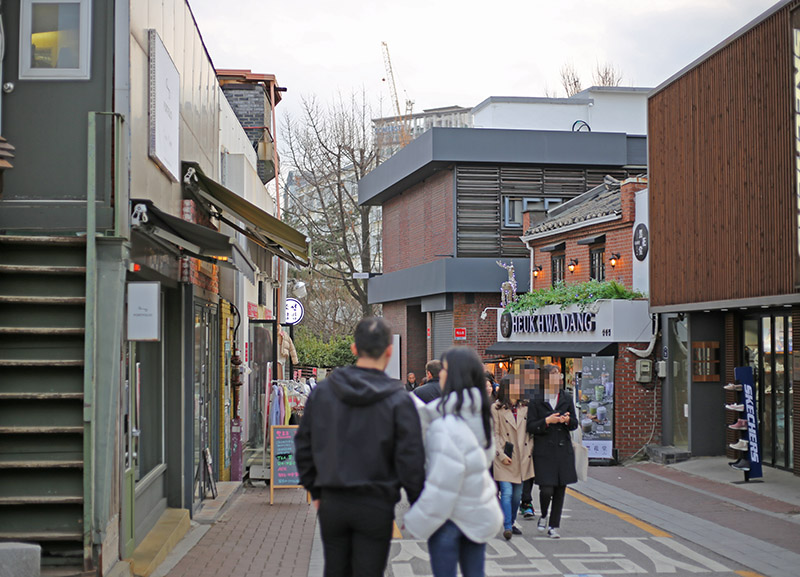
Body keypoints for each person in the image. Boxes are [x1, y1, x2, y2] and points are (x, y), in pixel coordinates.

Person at [294, 317, 425, 577]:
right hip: (376, 503)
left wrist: (316, 491)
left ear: (354, 348)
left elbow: (303, 445)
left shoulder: (323, 392)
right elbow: (410, 458)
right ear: (389, 351)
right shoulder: (399, 400)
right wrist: (418, 502)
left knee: (335, 569)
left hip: (333, 500)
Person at [404, 347, 503, 577]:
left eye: (446, 369)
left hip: (450, 519)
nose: (442, 374)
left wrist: (417, 518)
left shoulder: (445, 423)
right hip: (477, 511)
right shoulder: (481, 413)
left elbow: (444, 482)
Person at [526, 364, 578, 539]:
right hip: (544, 450)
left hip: (563, 449)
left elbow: (575, 424)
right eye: (555, 375)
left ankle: (553, 526)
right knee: (546, 488)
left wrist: (567, 420)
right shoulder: (536, 399)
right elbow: (531, 425)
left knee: (560, 489)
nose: (559, 378)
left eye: (559, 375)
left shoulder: (566, 397)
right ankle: (543, 515)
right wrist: (547, 421)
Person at [491, 375, 535, 540]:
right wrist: (500, 454)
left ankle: (512, 520)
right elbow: (494, 434)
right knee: (507, 493)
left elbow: (530, 433)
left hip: (522, 456)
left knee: (517, 495)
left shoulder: (526, 407)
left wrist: (530, 449)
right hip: (504, 456)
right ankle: (507, 526)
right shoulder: (496, 408)